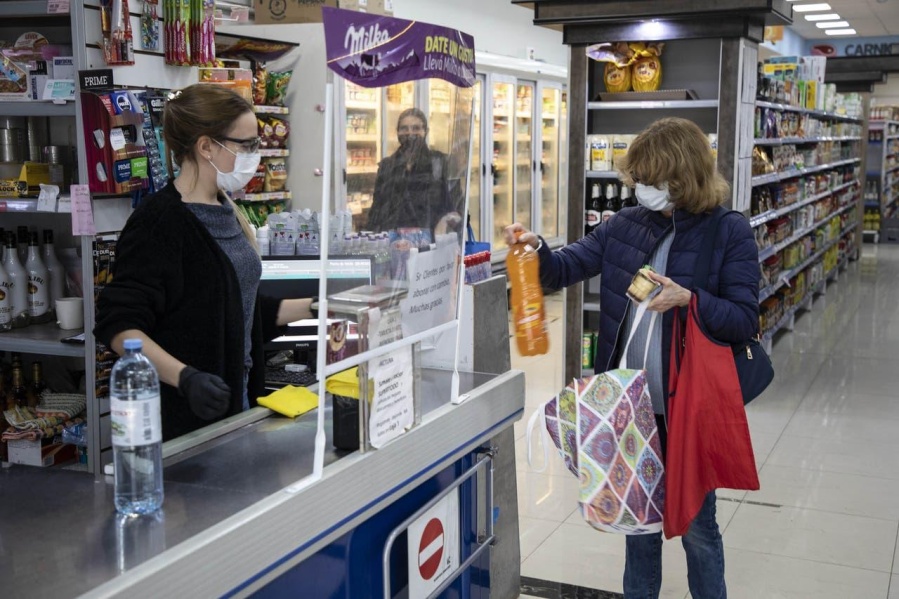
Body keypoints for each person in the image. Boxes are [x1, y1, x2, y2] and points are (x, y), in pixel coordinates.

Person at [504, 117, 759, 599]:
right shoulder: (623, 224)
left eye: (648, 178)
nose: (638, 187)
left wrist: (689, 299)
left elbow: (744, 319)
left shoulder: (728, 232)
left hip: (689, 408)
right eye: (635, 178)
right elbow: (565, 268)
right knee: (637, 524)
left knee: (699, 530)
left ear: (681, 177)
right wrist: (535, 249)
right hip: (629, 410)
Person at [94, 84, 315, 441]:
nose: (254, 155)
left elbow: (236, 307)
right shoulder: (160, 220)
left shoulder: (227, 209)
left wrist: (319, 305)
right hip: (186, 415)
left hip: (237, 400)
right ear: (206, 146)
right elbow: (119, 326)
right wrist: (186, 377)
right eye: (245, 145)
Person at [367, 107, 462, 239]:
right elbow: (376, 212)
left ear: (426, 132)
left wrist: (446, 219)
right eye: (404, 128)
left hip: (431, 247)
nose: (410, 133)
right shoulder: (386, 166)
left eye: (416, 128)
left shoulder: (442, 163)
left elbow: (458, 209)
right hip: (394, 245)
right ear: (397, 132)